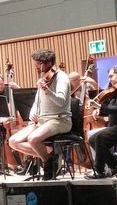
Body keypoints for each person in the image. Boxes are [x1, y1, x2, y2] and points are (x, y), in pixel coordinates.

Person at [8, 49, 71, 178]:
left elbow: (60, 101)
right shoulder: (44, 77)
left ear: (47, 63)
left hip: (60, 120)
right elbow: (38, 99)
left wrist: (47, 90)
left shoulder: (61, 77)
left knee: (33, 139)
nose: (36, 66)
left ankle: (47, 163)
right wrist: (33, 112)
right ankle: (49, 155)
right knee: (13, 141)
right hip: (42, 121)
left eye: (38, 63)